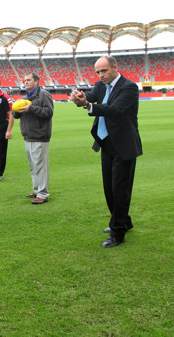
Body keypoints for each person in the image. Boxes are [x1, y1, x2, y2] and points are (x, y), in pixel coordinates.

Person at [70, 55, 142, 248]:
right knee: (109, 188)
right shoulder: (101, 85)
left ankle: (118, 232)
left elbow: (115, 110)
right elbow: (90, 98)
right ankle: (123, 221)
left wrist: (87, 104)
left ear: (115, 67)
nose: (101, 75)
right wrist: (79, 97)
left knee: (120, 190)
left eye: (104, 71)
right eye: (98, 72)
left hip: (124, 145)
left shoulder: (129, 87)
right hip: (106, 143)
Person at [13, 73, 54, 204]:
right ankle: (37, 190)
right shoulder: (24, 97)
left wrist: (31, 108)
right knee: (33, 166)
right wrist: (16, 110)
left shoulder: (44, 95)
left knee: (40, 166)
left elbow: (49, 112)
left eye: (28, 80)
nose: (25, 82)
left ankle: (43, 194)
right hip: (28, 136)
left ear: (36, 81)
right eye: (24, 80)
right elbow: (17, 116)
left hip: (40, 135)